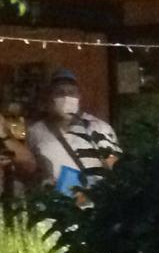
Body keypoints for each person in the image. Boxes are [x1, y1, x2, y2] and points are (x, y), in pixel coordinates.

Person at [27, 69, 121, 200]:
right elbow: (29, 166)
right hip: (56, 204)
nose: (66, 98)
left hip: (94, 202)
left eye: (71, 93)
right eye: (59, 93)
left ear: (79, 97)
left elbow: (115, 166)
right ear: (50, 97)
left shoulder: (99, 128)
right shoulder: (36, 131)